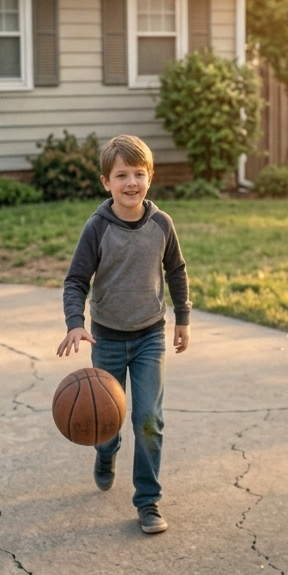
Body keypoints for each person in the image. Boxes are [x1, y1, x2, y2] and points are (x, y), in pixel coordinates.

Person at [57, 134, 191, 534]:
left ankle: (148, 501)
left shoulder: (162, 223)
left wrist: (182, 317)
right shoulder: (98, 227)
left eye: (139, 174)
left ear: (150, 177)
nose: (131, 183)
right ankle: (105, 450)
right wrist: (75, 323)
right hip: (107, 339)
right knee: (105, 419)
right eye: (121, 175)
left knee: (149, 419)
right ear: (106, 182)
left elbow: (177, 271)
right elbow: (75, 280)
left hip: (151, 335)